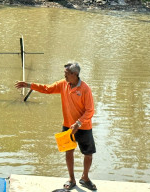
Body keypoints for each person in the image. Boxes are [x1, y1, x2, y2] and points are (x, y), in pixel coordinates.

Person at [15, 62, 97, 191]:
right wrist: (29, 85)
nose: (64, 76)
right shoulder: (63, 84)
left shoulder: (85, 89)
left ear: (74, 74)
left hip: (84, 126)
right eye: (64, 74)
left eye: (66, 74)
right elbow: (47, 88)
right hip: (68, 125)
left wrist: (79, 123)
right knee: (68, 151)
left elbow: (90, 111)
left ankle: (85, 178)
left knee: (88, 154)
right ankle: (71, 179)